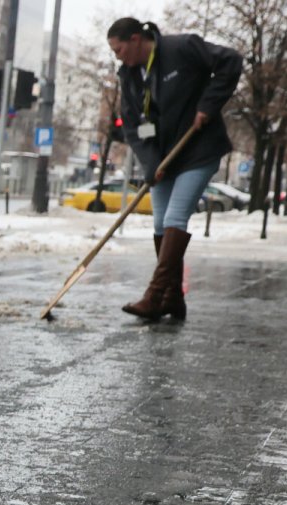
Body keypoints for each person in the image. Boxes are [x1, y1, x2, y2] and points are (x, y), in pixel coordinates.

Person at [107, 18, 242, 322]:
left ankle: (155, 296)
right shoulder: (129, 76)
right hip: (164, 157)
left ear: (135, 39)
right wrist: (150, 162)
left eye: (118, 50)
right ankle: (174, 299)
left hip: (198, 149)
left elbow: (231, 61)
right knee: (159, 224)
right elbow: (133, 127)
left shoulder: (181, 48)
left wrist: (208, 105)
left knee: (174, 218)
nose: (118, 57)